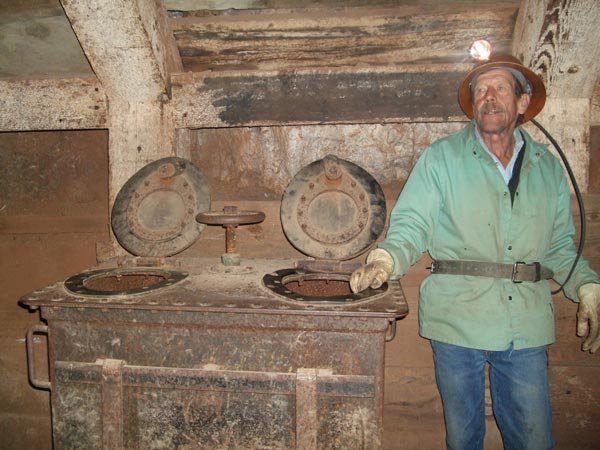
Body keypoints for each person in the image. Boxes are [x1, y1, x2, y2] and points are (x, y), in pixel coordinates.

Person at [349, 54, 600, 450]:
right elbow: (412, 224)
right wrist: (386, 260)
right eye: (481, 90)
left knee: (534, 440)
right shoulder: (442, 158)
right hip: (458, 318)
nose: (489, 97)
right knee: (464, 439)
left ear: (521, 102)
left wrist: (587, 287)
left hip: (526, 321)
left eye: (500, 88)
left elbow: (559, 247)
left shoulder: (547, 168)